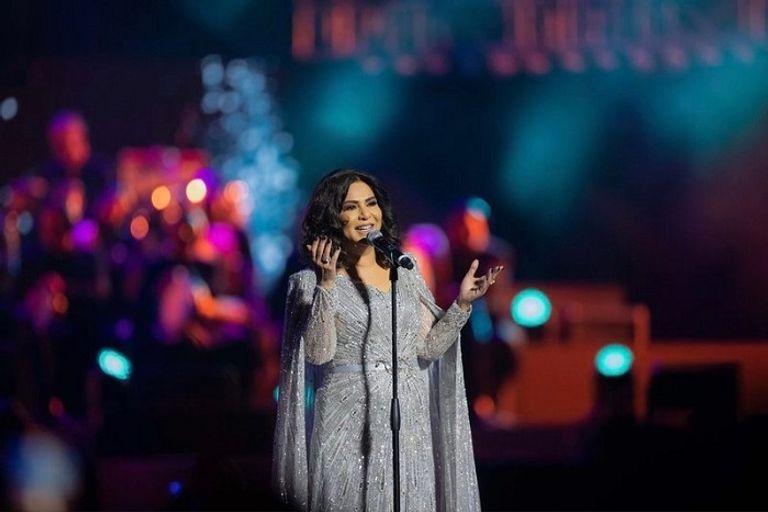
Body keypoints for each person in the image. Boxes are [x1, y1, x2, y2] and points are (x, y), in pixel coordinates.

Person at [272, 169, 502, 511]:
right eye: (351, 207)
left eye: (371, 204)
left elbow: (427, 348)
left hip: (408, 420)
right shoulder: (307, 283)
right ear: (331, 217)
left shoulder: (404, 273)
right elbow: (318, 354)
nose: (365, 214)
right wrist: (327, 285)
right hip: (346, 421)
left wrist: (461, 306)